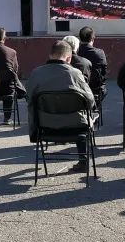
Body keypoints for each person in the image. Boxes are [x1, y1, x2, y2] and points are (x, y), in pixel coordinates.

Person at [27, 39, 95, 176]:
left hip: (44, 125)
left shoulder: (36, 73)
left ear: (50, 55)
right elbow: (90, 101)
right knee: (83, 115)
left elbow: (29, 98)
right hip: (75, 125)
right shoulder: (75, 73)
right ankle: (83, 161)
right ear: (69, 58)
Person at [77, 26, 109, 103]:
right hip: (95, 90)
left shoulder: (76, 53)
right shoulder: (100, 53)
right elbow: (104, 72)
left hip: (78, 89)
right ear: (92, 38)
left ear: (80, 38)